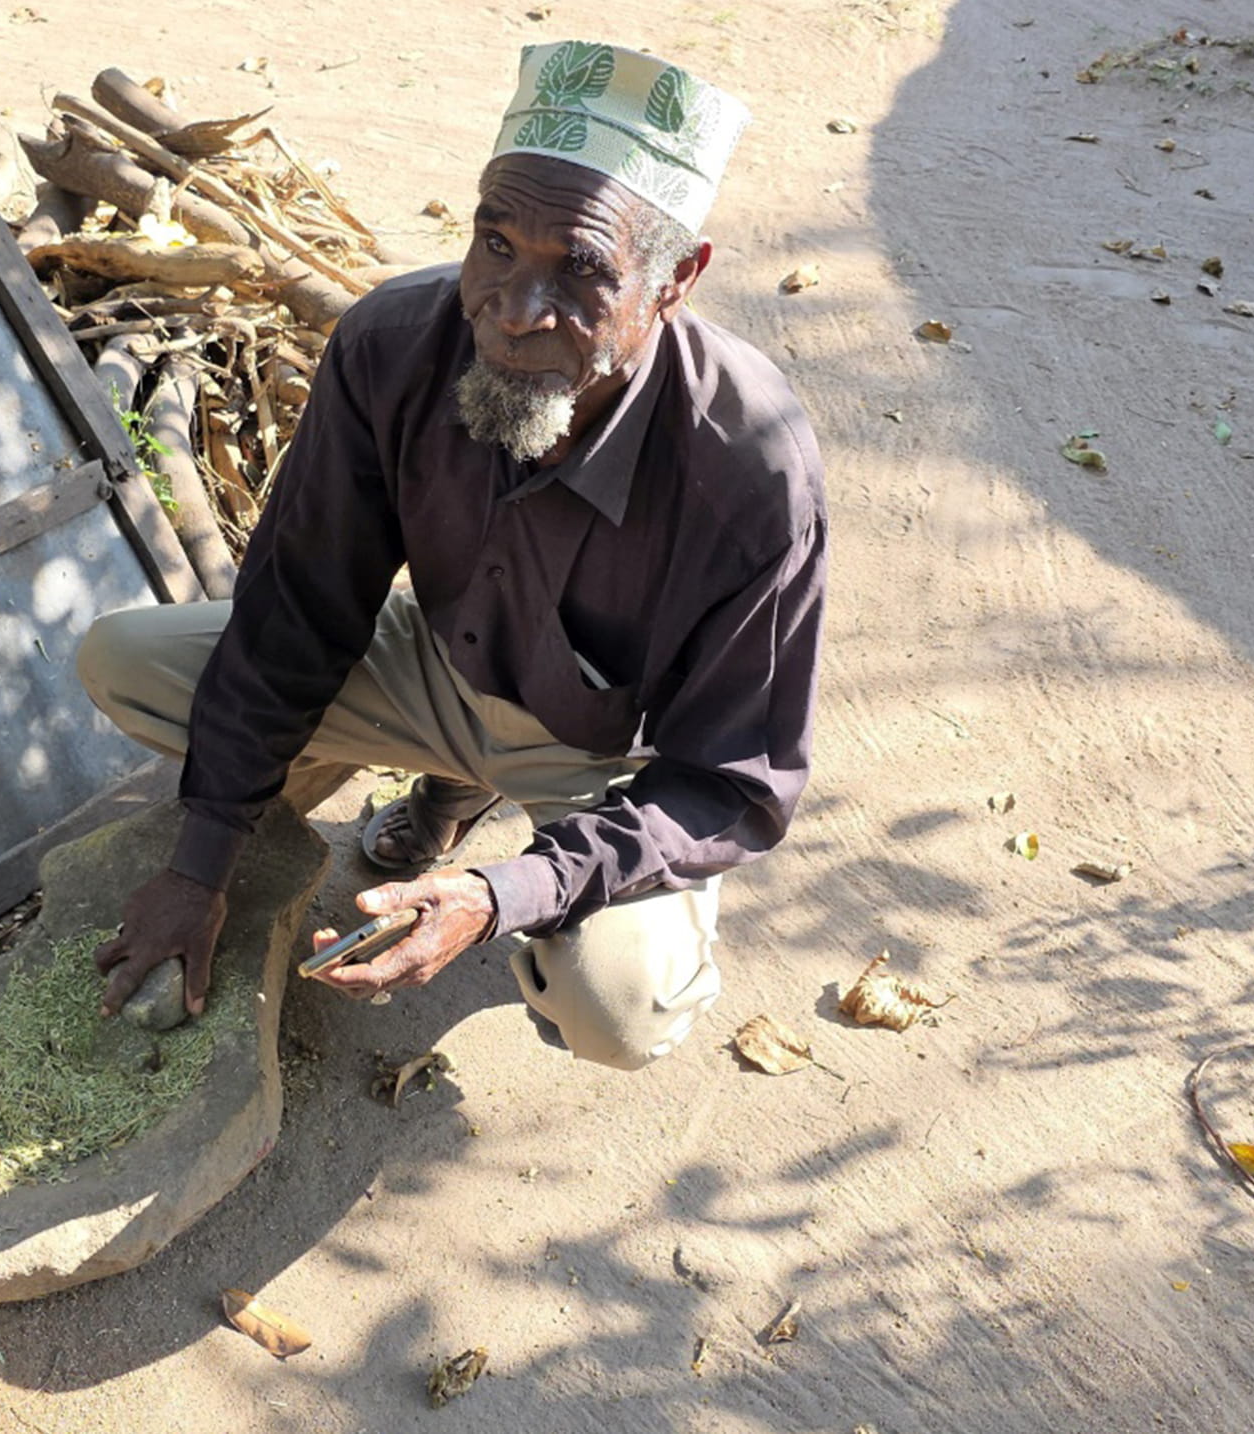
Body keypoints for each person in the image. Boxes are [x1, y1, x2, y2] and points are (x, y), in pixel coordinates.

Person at [76, 41, 826, 1070]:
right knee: (122, 661)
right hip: (434, 665)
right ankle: (448, 782)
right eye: (495, 246)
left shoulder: (748, 466)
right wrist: (198, 866)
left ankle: (480, 821)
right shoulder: (393, 345)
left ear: (673, 281)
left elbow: (730, 783)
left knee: (620, 1009)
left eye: (582, 270)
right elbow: (299, 605)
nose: (514, 313)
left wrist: (503, 893)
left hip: (607, 759)